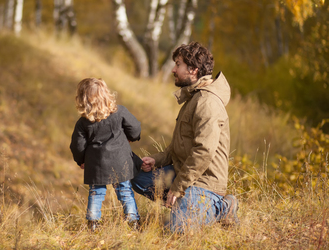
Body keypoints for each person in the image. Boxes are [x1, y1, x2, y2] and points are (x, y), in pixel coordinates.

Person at [131, 41, 239, 233]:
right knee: (138, 177)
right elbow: (178, 147)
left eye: (178, 64)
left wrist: (178, 187)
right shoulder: (193, 99)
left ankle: (222, 207)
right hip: (183, 173)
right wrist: (155, 160)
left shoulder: (207, 103)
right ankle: (184, 205)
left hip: (205, 182)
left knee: (176, 229)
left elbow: (203, 151)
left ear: (193, 70)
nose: (173, 69)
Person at [70, 78, 141, 231]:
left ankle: (93, 223)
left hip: (97, 164)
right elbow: (135, 127)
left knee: (96, 192)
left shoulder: (83, 123)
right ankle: (133, 221)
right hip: (121, 161)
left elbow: (77, 145)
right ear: (107, 95)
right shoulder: (119, 112)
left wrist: (81, 160)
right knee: (125, 191)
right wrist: (132, 137)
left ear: (83, 100)